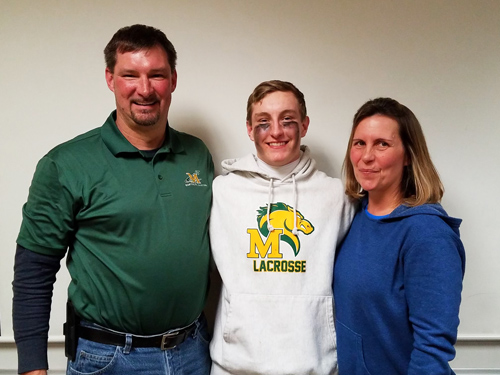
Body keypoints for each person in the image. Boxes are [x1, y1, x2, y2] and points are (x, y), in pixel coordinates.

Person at [12, 24, 213, 375]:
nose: (145, 89)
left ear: (173, 80)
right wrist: (32, 368)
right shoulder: (67, 164)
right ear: (110, 79)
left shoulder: (197, 155)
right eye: (130, 75)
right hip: (109, 359)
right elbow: (33, 273)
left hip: (192, 353)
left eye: (157, 75)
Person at [209, 80, 354, 375]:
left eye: (287, 120)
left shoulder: (337, 195)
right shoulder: (222, 191)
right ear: (249, 129)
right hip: (235, 366)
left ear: (304, 124)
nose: (276, 131)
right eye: (264, 122)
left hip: (315, 365)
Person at [333, 97, 466, 374]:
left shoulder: (427, 234)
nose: (366, 156)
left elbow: (432, 348)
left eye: (382, 144)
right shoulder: (352, 217)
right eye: (360, 143)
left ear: (408, 155)